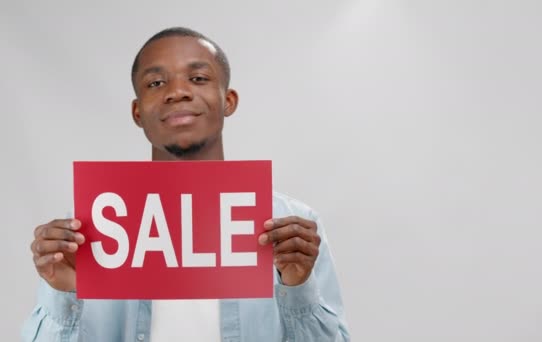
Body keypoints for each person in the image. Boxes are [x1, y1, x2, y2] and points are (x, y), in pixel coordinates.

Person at [22, 27, 349, 341]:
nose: (177, 92)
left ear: (228, 100)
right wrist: (61, 292)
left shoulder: (292, 225)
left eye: (198, 78)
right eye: (156, 82)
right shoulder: (91, 226)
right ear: (137, 112)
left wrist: (297, 289)